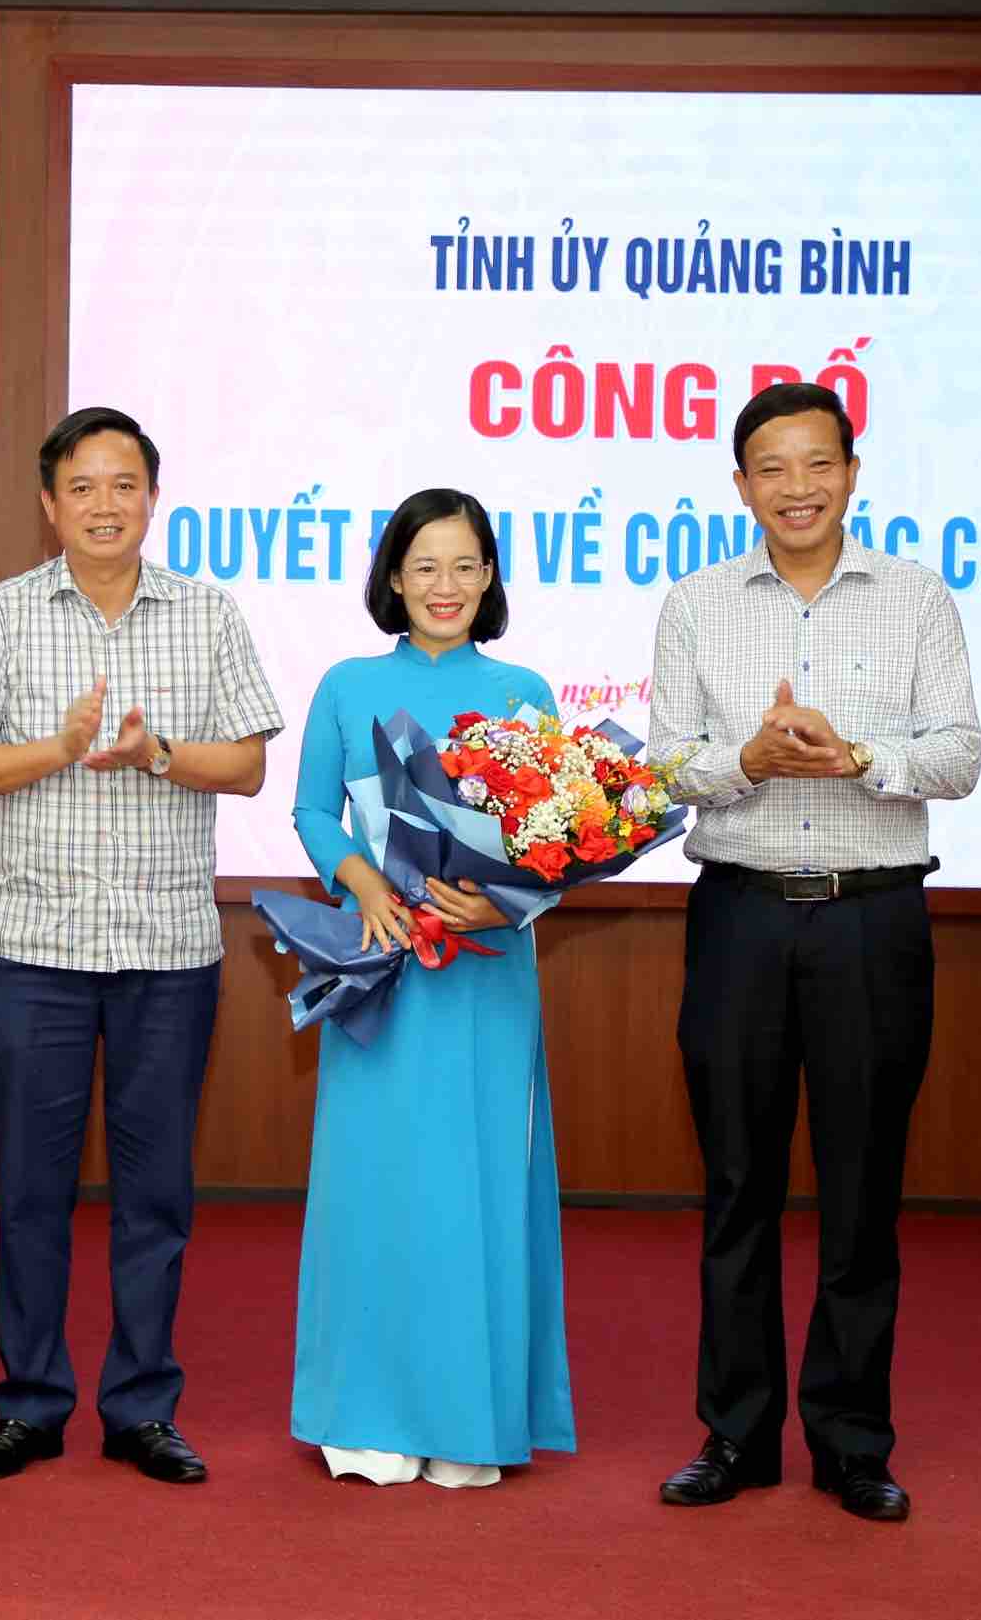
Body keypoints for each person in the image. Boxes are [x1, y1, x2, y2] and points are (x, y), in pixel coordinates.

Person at [643, 382, 981, 1523]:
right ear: (738, 486)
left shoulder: (916, 598)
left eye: (814, 463)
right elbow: (659, 768)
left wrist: (855, 759)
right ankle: (733, 1438)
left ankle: (850, 1443)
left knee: (859, 1189)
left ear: (850, 470)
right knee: (735, 1185)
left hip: (868, 919)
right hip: (737, 914)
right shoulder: (693, 603)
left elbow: (959, 754)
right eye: (770, 468)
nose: (795, 487)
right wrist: (743, 756)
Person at [0, 406, 284, 1486]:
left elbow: (247, 767)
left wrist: (154, 753)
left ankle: (139, 1405)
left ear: (151, 496)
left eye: (122, 484)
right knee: (30, 1191)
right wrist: (61, 747)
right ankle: (30, 1404)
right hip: (34, 948)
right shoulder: (0, 615)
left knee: (155, 1195)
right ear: (49, 504)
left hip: (166, 948)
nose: (102, 505)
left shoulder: (207, 613)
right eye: (80, 486)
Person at [288, 488, 577, 1489]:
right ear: (392, 580)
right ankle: (364, 1414)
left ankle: (470, 1418)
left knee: (475, 1188)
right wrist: (361, 882)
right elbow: (312, 812)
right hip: (379, 969)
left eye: (462, 566)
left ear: (490, 576)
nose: (442, 586)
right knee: (375, 1190)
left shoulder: (523, 690)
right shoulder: (346, 683)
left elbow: (556, 840)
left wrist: (502, 906)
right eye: (422, 567)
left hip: (486, 979)